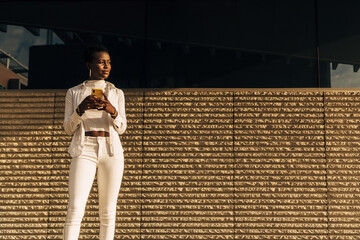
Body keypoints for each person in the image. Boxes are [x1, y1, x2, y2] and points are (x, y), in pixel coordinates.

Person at [62, 44, 127, 240]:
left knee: (108, 212)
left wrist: (112, 110)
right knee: (75, 209)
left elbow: (122, 127)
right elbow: (67, 128)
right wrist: (80, 110)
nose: (106, 66)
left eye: (108, 62)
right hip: (84, 150)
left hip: (112, 152)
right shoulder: (74, 92)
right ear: (89, 64)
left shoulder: (116, 93)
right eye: (100, 62)